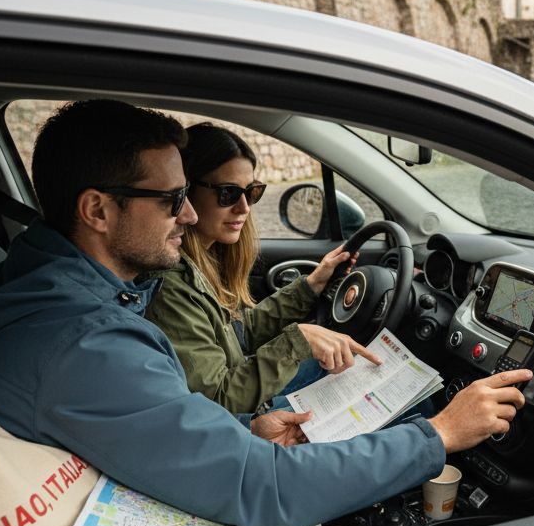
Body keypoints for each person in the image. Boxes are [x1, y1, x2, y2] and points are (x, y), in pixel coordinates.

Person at [0, 99, 529, 526]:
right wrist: (440, 434)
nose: (188, 214)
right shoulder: (87, 344)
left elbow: (176, 411)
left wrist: (242, 431)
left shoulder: (79, 295)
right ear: (98, 210)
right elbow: (268, 490)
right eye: (170, 200)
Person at [145, 123, 373, 414]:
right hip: (242, 416)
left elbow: (240, 333)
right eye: (228, 193)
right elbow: (217, 402)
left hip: (245, 395)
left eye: (251, 192)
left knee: (359, 367)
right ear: (186, 191)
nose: (244, 207)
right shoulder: (171, 285)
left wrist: (311, 285)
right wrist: (296, 342)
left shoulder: (203, 262)